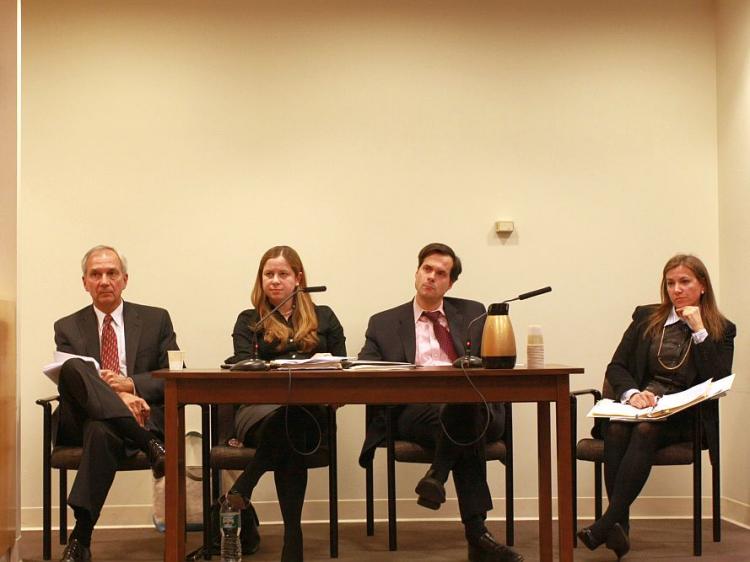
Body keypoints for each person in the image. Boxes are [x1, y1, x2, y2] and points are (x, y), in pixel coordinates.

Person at [358, 243, 523, 562]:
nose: (431, 277)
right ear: (417, 272)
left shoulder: (476, 313)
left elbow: (496, 360)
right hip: (416, 412)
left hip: (482, 410)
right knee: (463, 424)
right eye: (427, 269)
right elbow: (369, 369)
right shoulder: (384, 322)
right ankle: (478, 535)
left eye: (441, 273)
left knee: (463, 406)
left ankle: (438, 474)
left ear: (451, 283)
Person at [577, 254, 735, 560]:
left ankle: (607, 524)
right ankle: (617, 526)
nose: (676, 289)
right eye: (670, 283)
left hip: (686, 415)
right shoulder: (647, 319)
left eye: (685, 282)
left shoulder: (722, 328)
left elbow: (718, 379)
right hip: (643, 406)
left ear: (702, 285)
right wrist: (633, 393)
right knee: (619, 427)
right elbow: (617, 366)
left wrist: (699, 329)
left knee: (646, 430)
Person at [53, 245, 179, 562]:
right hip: (106, 422)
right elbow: (77, 385)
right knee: (72, 367)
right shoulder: (66, 327)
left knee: (99, 429)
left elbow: (175, 374)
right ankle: (150, 445)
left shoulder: (156, 319)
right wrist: (121, 396)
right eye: (96, 274)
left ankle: (80, 539)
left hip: (136, 417)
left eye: (112, 273)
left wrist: (131, 383)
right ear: (85, 282)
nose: (104, 280)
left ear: (125, 279)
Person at [223, 245, 346, 562]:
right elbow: (239, 366)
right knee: (291, 424)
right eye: (268, 274)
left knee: (294, 421)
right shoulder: (250, 320)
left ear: (299, 278)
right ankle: (293, 539)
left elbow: (343, 367)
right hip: (259, 413)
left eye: (283, 274)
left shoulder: (325, 317)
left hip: (311, 415)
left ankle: (247, 484)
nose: (274, 280)